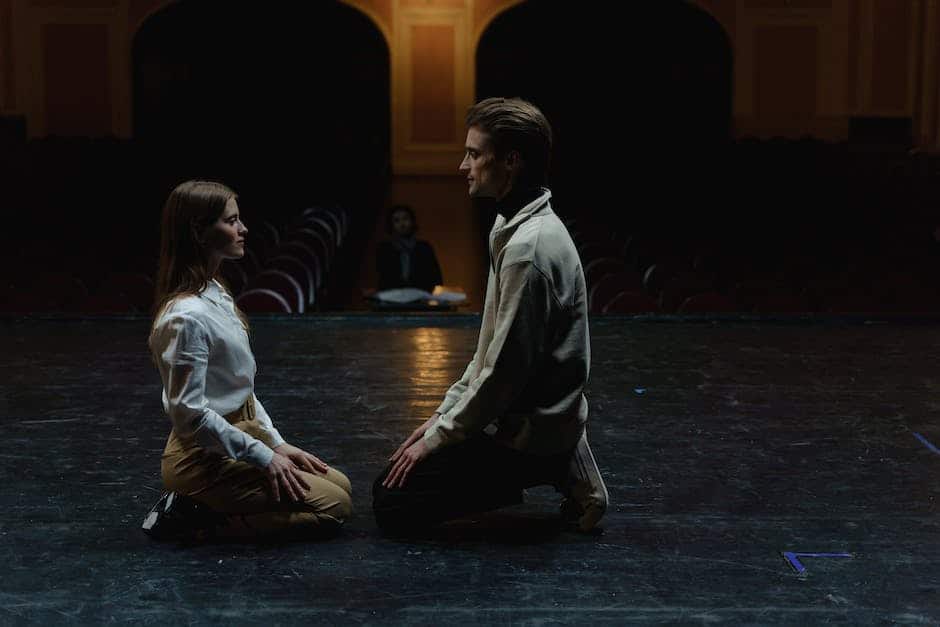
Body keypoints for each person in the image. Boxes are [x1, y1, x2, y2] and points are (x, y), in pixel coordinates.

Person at [372, 98, 608, 534]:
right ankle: (557, 450)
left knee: (391, 505)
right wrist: (440, 417)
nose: (464, 165)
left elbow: (501, 373)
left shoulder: (529, 248)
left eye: (474, 154)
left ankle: (557, 461)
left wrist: (441, 436)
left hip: (530, 428)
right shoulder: (509, 224)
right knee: (390, 482)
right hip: (520, 409)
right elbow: (489, 348)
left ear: (511, 161)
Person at [142, 180, 351, 542]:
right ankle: (193, 520)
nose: (243, 229)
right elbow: (190, 416)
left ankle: (208, 506)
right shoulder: (185, 317)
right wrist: (264, 458)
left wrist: (277, 444)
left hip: (242, 431)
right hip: (200, 457)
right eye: (231, 220)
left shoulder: (215, 291)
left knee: (341, 485)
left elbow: (244, 393)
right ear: (200, 232)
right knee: (334, 507)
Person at [376, 204, 443, 293]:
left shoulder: (424, 248)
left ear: (412, 221)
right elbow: (383, 279)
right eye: (397, 220)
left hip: (421, 297)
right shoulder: (385, 249)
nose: (402, 224)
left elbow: (436, 278)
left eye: (405, 219)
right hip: (392, 298)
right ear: (391, 224)